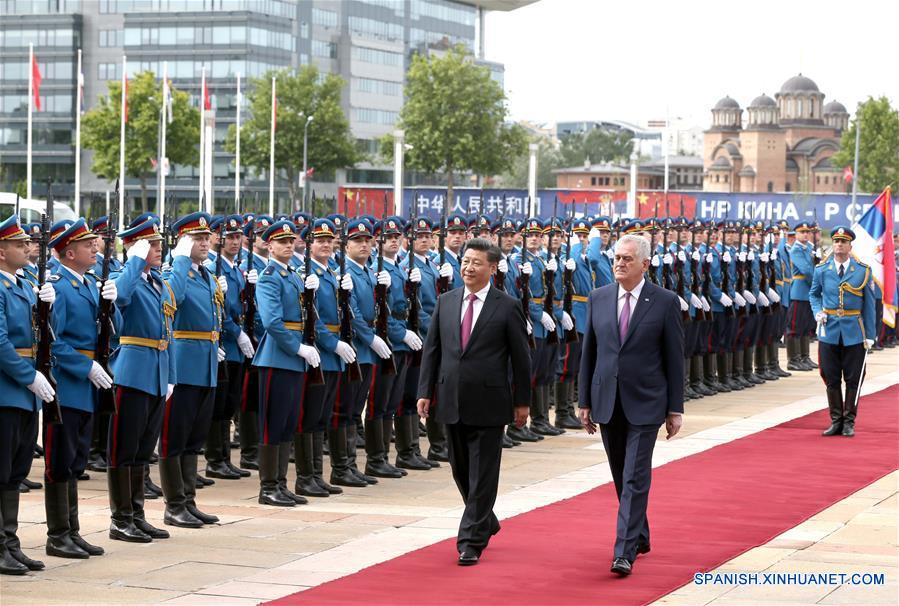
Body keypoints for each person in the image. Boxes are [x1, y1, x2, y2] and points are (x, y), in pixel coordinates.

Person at [417, 237, 531, 567]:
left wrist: (522, 402)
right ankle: (485, 519)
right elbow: (432, 349)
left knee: (483, 474)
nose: (468, 267)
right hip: (450, 397)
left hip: (490, 401)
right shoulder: (447, 301)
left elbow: (521, 359)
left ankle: (470, 541)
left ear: (492, 268)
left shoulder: (507, 306)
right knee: (461, 470)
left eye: (476, 262)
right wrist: (425, 391)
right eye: (465, 261)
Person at [578, 233, 684, 577]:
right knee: (621, 475)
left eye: (626, 259)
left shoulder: (664, 301)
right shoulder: (599, 297)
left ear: (645, 264)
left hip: (646, 401)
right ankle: (640, 532)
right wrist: (584, 401)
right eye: (616, 258)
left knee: (636, 476)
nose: (619, 263)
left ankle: (623, 550)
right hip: (607, 399)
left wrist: (675, 408)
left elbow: (674, 358)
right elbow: (589, 353)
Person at [105, 218, 174, 542]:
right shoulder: (126, 277)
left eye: (159, 244)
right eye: (153, 245)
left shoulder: (156, 281)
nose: (159, 250)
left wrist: (170, 375)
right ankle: (120, 519)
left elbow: (166, 332)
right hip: (132, 372)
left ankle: (137, 514)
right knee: (124, 448)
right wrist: (134, 258)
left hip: (157, 371)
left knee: (144, 448)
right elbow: (118, 299)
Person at [0, 215, 56, 574]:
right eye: (20, 244)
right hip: (6, 390)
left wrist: (44, 306)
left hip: (22, 391)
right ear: (1, 251)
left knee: (16, 471)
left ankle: (10, 541)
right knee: (1, 470)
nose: (28, 248)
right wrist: (28, 376)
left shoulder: (20, 285)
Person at [808, 226, 875, 437]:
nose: (839, 245)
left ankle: (849, 421)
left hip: (854, 331)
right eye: (836, 241)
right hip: (829, 330)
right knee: (831, 376)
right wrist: (818, 312)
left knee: (854, 378)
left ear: (850, 246)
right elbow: (814, 294)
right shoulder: (822, 269)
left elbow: (870, 306)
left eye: (843, 242)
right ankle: (836, 420)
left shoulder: (862, 270)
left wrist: (871, 334)